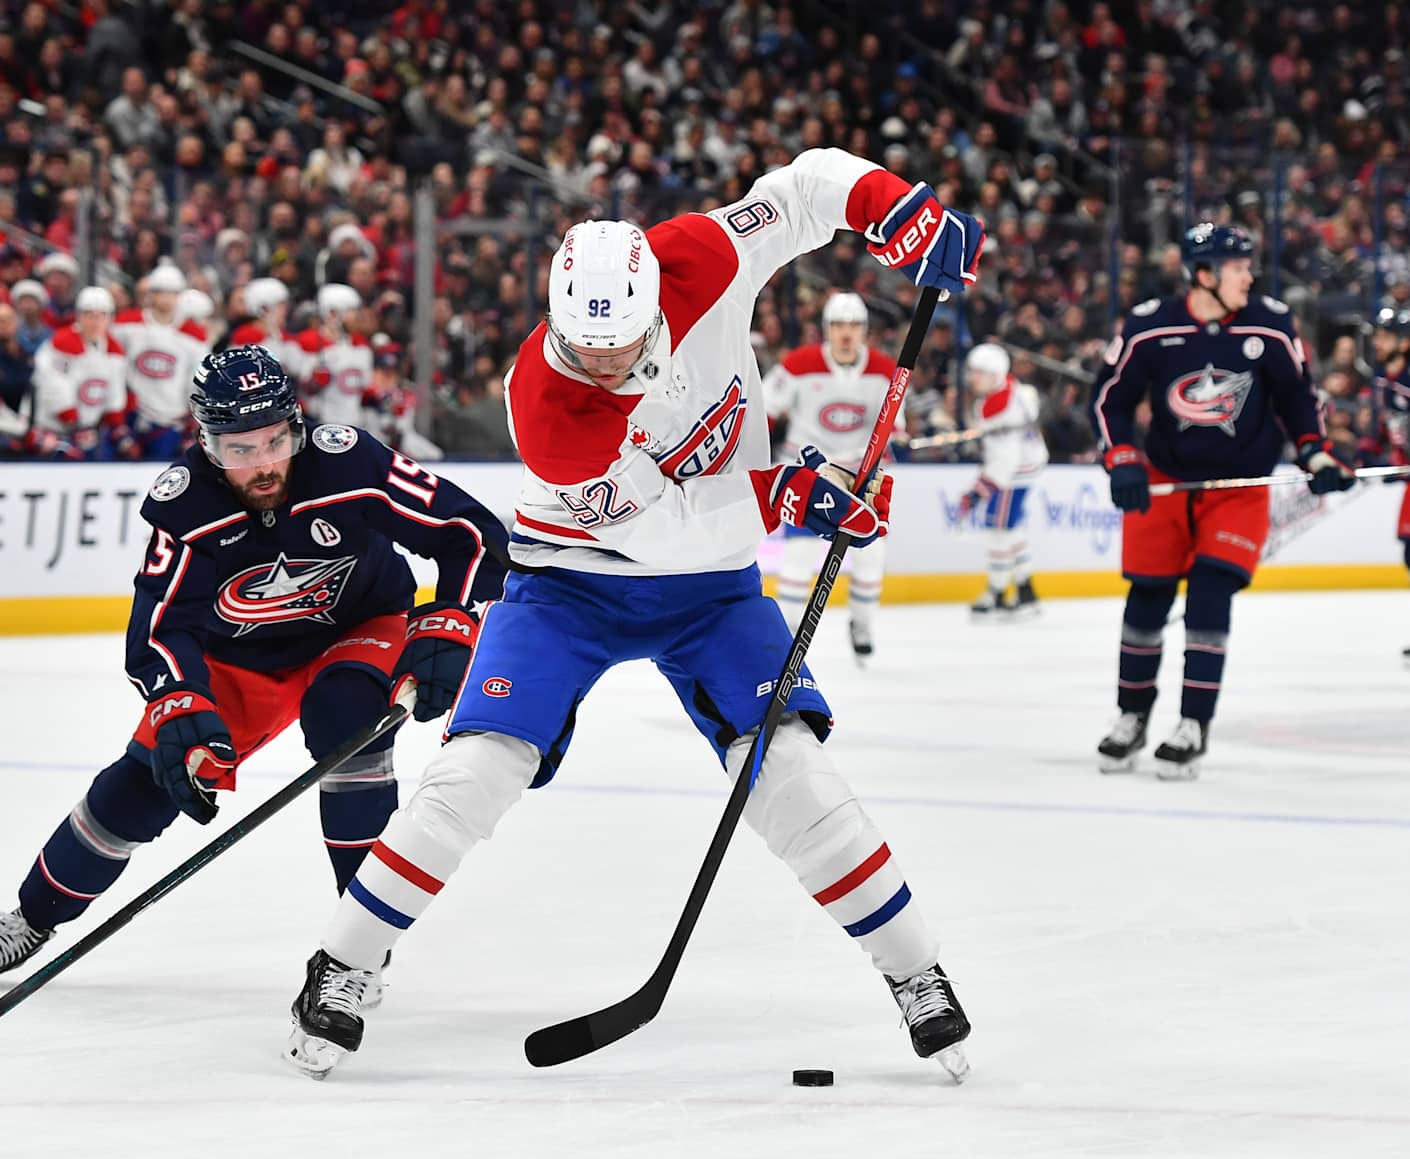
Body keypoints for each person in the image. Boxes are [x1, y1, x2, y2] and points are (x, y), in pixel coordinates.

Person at [282, 149, 984, 1082]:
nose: (606, 359)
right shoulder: (547, 403)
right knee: (477, 772)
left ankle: (916, 976)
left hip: (715, 591)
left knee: (794, 777)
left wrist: (894, 209)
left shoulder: (698, 255)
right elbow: (659, 525)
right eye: (586, 345)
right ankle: (343, 964)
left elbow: (802, 189)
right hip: (568, 583)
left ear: (656, 294)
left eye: (621, 342)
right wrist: (788, 498)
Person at [0, 345, 509, 986]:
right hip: (242, 658)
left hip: (359, 627)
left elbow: (471, 533)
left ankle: (360, 954)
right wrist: (178, 699)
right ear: (207, 444)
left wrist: (452, 618)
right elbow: (159, 626)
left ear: (297, 424)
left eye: (275, 441)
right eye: (240, 450)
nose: (264, 465)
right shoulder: (186, 509)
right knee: (140, 788)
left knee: (345, 726)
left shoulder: (350, 461)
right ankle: (31, 917)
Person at [1093, 224, 1354, 778]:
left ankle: (1193, 724)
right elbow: (1110, 399)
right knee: (1146, 600)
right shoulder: (1148, 325)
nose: (1249, 277)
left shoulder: (1271, 322)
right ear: (1205, 275)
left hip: (1238, 489)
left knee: (1211, 594)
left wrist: (1317, 454)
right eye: (1238, 268)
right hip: (1166, 482)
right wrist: (1121, 458)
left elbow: (1298, 398)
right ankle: (1131, 715)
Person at [761, 291, 900, 658]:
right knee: (799, 556)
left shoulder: (886, 371)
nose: (846, 333)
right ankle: (786, 634)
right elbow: (763, 410)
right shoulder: (798, 364)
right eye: (839, 324)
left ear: (865, 330)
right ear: (826, 329)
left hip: (859, 481)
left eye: (853, 325)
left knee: (872, 556)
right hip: (810, 474)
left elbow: (893, 428)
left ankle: (862, 623)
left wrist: (891, 442)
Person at [957, 342, 1047, 620]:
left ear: (995, 375)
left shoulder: (997, 407)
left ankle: (997, 593)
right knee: (1011, 530)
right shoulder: (1012, 389)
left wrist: (978, 492)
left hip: (1014, 473)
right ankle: (1025, 591)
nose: (973, 378)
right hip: (1027, 465)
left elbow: (1003, 462)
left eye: (979, 373)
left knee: (997, 529)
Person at [1365, 307, 1410, 665]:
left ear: (1405, 342)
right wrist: (1370, 453)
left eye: (1384, 335)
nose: (1377, 342)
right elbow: (1386, 427)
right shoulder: (1384, 379)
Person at [114, 262, 207, 458]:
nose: (165, 299)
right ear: (151, 295)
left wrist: (192, 419)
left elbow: (196, 381)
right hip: (133, 416)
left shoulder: (192, 335)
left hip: (170, 420)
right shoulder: (128, 323)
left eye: (171, 293)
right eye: (160, 292)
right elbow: (112, 364)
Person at [31, 285, 135, 459]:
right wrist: (73, 422)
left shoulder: (114, 350)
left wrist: (118, 428)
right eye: (89, 316)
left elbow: (114, 393)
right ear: (79, 317)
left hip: (87, 431)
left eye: (101, 316)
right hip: (53, 428)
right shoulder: (62, 343)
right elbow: (53, 386)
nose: (95, 322)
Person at [298, 283, 375, 429]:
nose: (357, 317)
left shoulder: (360, 345)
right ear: (333, 313)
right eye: (351, 311)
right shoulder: (311, 342)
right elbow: (303, 391)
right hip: (321, 426)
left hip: (356, 425)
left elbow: (365, 389)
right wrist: (314, 382)